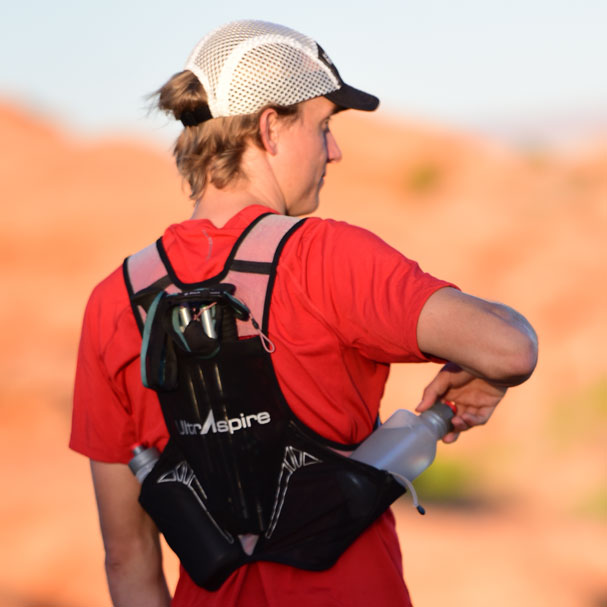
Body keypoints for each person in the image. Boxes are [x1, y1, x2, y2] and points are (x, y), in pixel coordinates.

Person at [70, 19, 538, 607]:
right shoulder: (326, 257)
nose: (334, 150)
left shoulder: (117, 301)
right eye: (323, 126)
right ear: (270, 127)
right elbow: (509, 348)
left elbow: (127, 557)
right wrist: (491, 371)